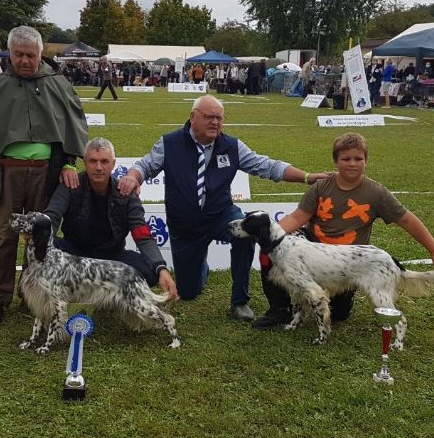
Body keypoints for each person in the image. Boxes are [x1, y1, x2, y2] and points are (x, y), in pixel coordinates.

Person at [117, 95, 332, 320]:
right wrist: (133, 177)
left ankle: (239, 301)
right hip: (185, 225)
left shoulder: (232, 146)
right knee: (189, 292)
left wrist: (306, 177)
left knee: (245, 234)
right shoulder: (169, 143)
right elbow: (145, 165)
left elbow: (267, 166)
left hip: (221, 214)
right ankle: (201, 265)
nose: (215, 123)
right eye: (209, 117)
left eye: (219, 118)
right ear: (192, 118)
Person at [253, 133, 434, 330]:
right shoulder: (321, 186)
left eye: (358, 159)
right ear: (336, 161)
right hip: (314, 250)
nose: (352, 164)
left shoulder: (376, 193)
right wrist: (272, 237)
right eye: (346, 159)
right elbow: (297, 218)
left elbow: (407, 220)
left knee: (339, 314)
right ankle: (279, 310)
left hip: (347, 260)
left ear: (366, 161)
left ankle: (339, 296)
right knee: (272, 251)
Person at [0, 25, 89, 326]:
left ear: (40, 54)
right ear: (10, 53)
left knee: (40, 237)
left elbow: (73, 124)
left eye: (30, 55)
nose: (24, 60)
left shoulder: (58, 84)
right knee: (2, 237)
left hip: (45, 174)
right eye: (18, 54)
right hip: (3, 173)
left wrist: (69, 163)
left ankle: (30, 292)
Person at [44, 137, 178, 300]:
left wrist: (161, 268)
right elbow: (52, 217)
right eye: (93, 161)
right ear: (84, 163)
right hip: (75, 256)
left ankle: (92, 289)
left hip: (112, 257)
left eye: (104, 161)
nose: (99, 167)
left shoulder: (126, 193)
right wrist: (39, 233)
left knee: (149, 271)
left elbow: (142, 235)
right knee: (43, 245)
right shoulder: (70, 185)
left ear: (113, 164)